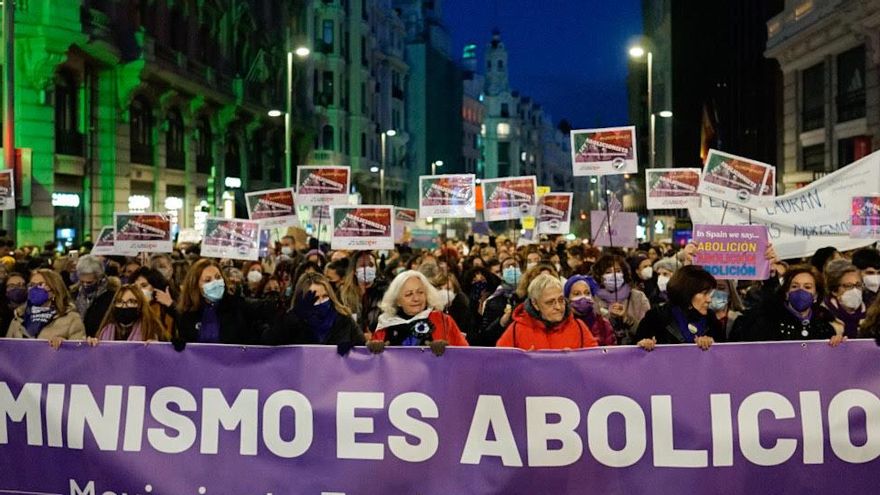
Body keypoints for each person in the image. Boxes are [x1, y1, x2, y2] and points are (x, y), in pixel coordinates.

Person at [733, 265, 842, 344]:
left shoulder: (825, 328)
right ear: (786, 293)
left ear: (816, 295)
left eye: (807, 287)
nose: (801, 290)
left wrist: (837, 346)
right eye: (794, 286)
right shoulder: (768, 323)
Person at [369, 270, 468, 355]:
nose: (416, 298)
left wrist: (448, 351)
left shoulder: (443, 320)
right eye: (409, 294)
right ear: (397, 301)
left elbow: (466, 354)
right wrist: (373, 351)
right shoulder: (385, 324)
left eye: (420, 292)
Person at [497, 273, 598, 350]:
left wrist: (575, 362)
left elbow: (594, 363)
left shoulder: (579, 327)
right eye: (550, 302)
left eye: (561, 300)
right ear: (535, 304)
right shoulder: (516, 330)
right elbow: (500, 364)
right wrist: (523, 364)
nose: (558, 307)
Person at [263, 272, 364, 349]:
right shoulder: (292, 321)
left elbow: (362, 347)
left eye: (325, 296)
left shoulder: (343, 318)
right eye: (315, 298)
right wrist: (294, 318)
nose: (321, 302)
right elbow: (268, 343)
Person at [635, 266, 725, 351]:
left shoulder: (711, 318)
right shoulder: (656, 316)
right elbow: (633, 353)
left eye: (710, 294)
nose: (709, 299)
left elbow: (725, 353)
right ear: (687, 293)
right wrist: (644, 345)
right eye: (704, 293)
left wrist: (713, 344)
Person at [176, 259, 260, 345]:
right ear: (195, 285)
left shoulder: (237, 306)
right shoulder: (187, 314)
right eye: (208, 280)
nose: (215, 282)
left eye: (218, 277)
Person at [6, 269, 85, 348]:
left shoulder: (71, 319)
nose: (35, 288)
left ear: (54, 289)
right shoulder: (19, 317)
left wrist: (65, 345)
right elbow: (6, 350)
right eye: (32, 285)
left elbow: (79, 353)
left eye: (41, 284)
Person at [591, 254, 650, 345]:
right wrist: (609, 317)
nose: (614, 275)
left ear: (624, 274)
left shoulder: (638, 297)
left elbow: (647, 330)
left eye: (618, 271)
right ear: (600, 276)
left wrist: (626, 318)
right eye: (608, 272)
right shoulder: (594, 300)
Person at [89, 284, 167, 342]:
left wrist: (157, 349)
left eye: (131, 302)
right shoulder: (105, 330)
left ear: (140, 304)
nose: (124, 306)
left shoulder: (152, 328)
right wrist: (91, 346)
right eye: (119, 302)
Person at [338, 251, 388, 337]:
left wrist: (375, 336)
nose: (367, 269)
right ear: (354, 271)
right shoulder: (343, 295)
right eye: (363, 266)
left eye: (371, 265)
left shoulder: (385, 293)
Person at [72, 254, 118, 337]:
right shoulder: (73, 294)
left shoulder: (112, 296)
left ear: (99, 277)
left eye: (89, 282)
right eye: (82, 282)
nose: (85, 285)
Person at [564, 275, 615, 346]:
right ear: (567, 299)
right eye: (577, 294)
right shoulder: (562, 325)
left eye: (587, 293)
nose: (583, 297)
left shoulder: (604, 325)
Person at [822, 259, 866, 339]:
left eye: (858, 285)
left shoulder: (871, 316)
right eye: (848, 286)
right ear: (834, 290)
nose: (855, 290)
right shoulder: (822, 315)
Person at [130, 266, 176, 337]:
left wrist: (171, 305)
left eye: (144, 285)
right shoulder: (128, 309)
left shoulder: (165, 310)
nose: (138, 290)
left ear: (156, 287)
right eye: (135, 287)